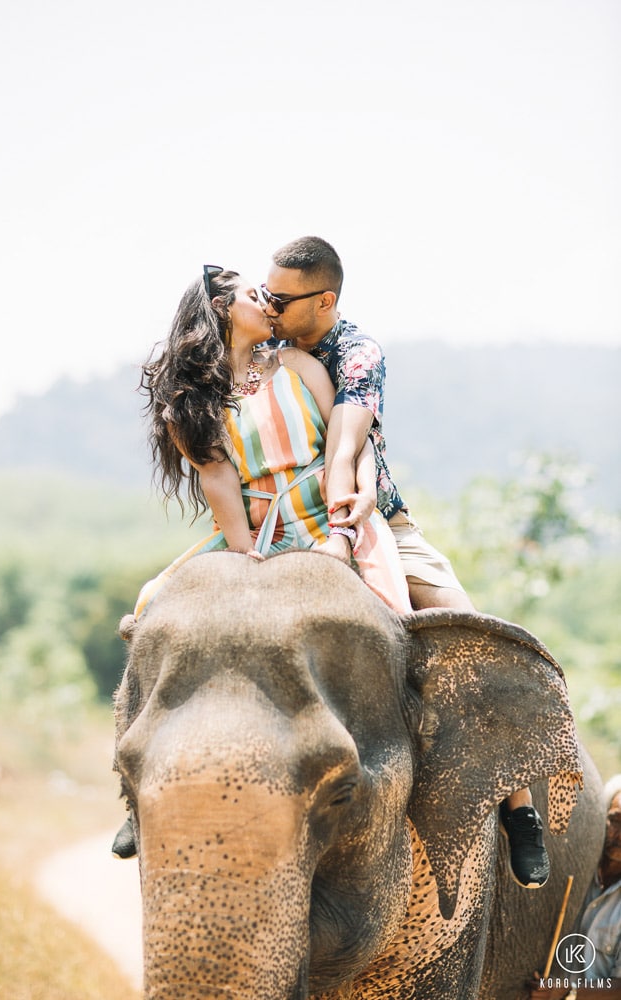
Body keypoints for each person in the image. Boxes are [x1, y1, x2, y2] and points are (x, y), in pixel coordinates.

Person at [262, 235, 550, 890]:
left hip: (370, 520)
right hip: (272, 525)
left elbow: (347, 435)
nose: (268, 307)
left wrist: (345, 502)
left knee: (470, 633)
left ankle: (519, 808)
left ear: (324, 300)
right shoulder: (260, 348)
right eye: (264, 295)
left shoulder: (356, 351)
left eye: (280, 299)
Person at [112, 265, 411, 859]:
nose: (269, 303)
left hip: (331, 513)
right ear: (223, 310)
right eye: (256, 295)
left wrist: (344, 537)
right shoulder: (190, 404)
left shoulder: (299, 366)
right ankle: (133, 787)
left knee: (398, 618)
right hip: (256, 530)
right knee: (151, 602)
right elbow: (223, 488)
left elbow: (338, 451)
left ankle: (416, 760)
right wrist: (249, 557)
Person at [527, 775, 621, 997]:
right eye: (616, 821)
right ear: (601, 820)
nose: (620, 835)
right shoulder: (573, 870)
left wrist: (569, 990)